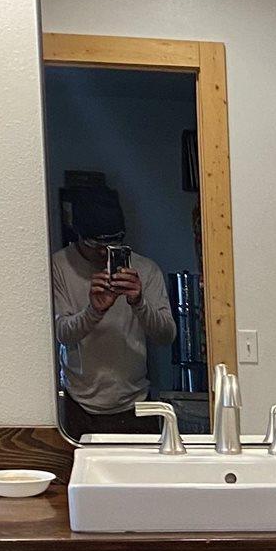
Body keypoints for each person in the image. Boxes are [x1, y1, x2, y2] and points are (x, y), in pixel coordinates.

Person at [51, 178, 178, 437]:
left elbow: (167, 336)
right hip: (79, 405)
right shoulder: (60, 266)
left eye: (114, 244)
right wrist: (94, 311)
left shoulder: (145, 270)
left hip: (136, 403)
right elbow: (62, 334)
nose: (104, 254)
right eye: (96, 246)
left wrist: (139, 303)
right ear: (79, 236)